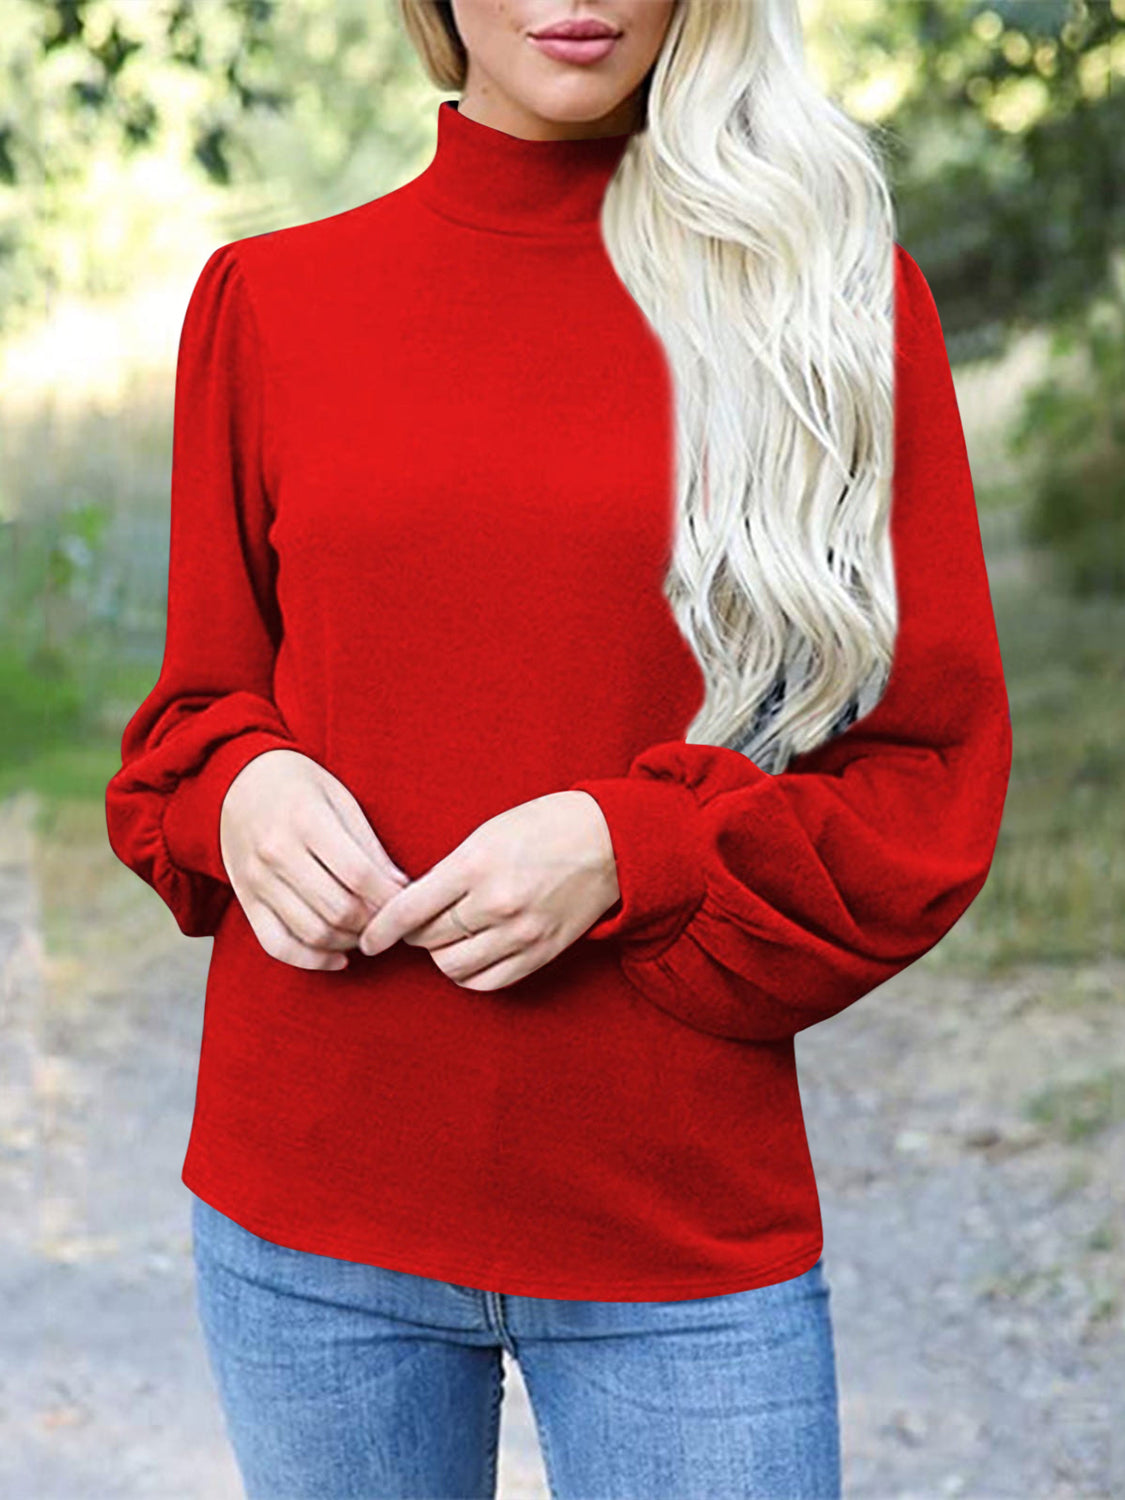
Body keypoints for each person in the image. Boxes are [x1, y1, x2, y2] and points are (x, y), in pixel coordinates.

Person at [104, 0, 1012, 1495]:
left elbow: (927, 785)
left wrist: (635, 848)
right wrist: (240, 792)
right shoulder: (268, 299)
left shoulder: (829, 301)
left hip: (675, 1226)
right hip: (305, 1218)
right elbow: (191, 721)